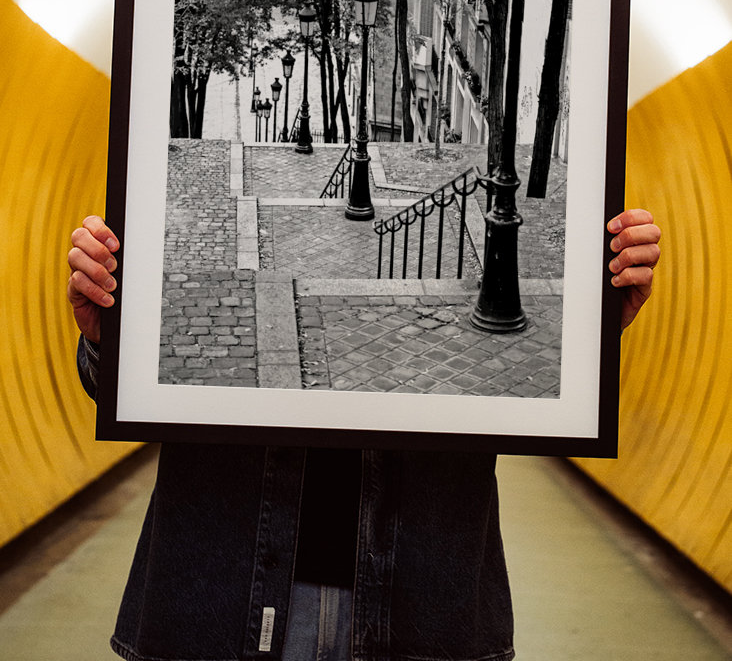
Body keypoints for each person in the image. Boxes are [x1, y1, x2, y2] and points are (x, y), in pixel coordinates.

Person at [68, 209, 661, 661]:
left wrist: (589, 336)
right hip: (219, 592)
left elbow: (540, 394)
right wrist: (110, 339)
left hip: (423, 602)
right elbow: (124, 389)